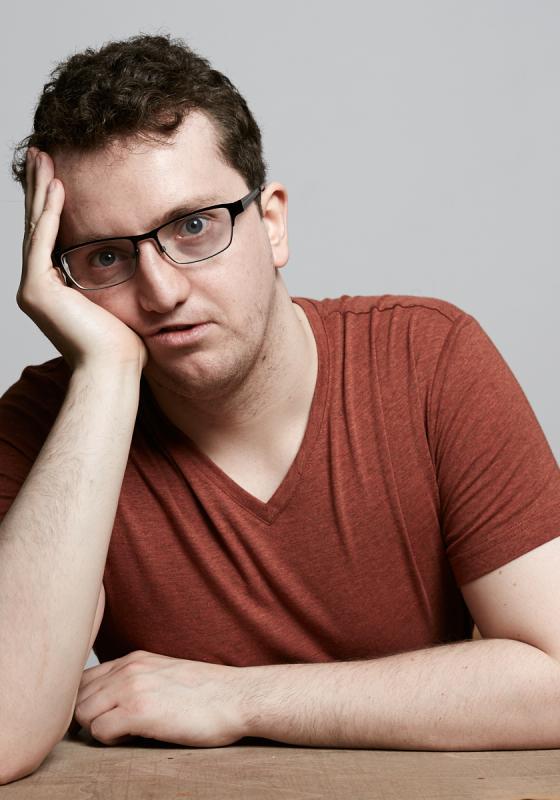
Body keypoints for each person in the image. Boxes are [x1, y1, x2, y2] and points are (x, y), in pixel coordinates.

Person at [1, 32, 559, 784]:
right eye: (107, 256)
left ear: (271, 222)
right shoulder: (52, 424)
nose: (161, 291)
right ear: (63, 283)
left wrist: (241, 700)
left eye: (193, 226)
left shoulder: (429, 360)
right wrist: (104, 374)